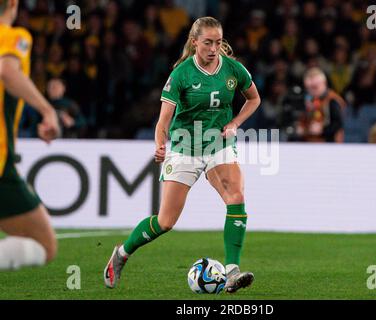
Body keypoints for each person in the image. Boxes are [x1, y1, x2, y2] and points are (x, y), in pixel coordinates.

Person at [104, 17, 261, 293]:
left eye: (218, 42)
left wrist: (235, 123)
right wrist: (160, 144)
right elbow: (163, 121)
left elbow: (254, 98)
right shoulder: (181, 74)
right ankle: (122, 254)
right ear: (195, 42)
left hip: (218, 144)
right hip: (184, 147)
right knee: (165, 222)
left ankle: (232, 271)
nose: (214, 48)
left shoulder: (234, 69)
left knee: (236, 197)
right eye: (208, 43)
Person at [0, 0, 60, 270]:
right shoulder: (15, 37)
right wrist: (47, 110)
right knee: (44, 245)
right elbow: (6, 71)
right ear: (13, 4)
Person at [292, 67, 345, 142]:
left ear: (324, 83)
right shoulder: (309, 100)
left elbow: (339, 124)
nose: (311, 91)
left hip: (330, 145)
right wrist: (301, 128)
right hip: (309, 143)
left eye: (315, 87)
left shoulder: (332, 100)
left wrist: (322, 130)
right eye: (308, 88)